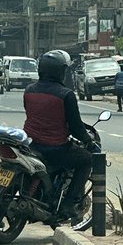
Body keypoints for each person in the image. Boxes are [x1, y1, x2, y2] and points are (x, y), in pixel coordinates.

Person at [23, 49, 94, 223]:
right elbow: (76, 127)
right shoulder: (66, 95)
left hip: (31, 146)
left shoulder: (29, 90)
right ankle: (68, 205)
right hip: (55, 148)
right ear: (60, 71)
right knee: (86, 160)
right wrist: (87, 140)